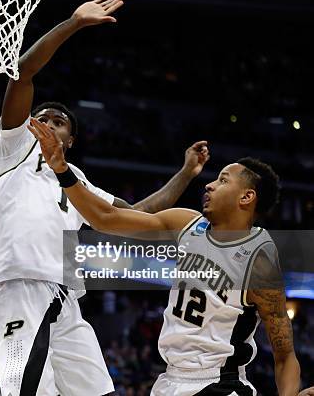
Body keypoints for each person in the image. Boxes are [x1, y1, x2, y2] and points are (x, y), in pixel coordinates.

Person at [0, 0, 211, 396]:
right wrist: (73, 23)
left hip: (64, 296)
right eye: (41, 117)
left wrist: (186, 173)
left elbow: (136, 214)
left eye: (59, 121)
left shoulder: (76, 179)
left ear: (71, 139)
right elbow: (22, 76)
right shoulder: (15, 151)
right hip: (17, 282)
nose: (47, 122)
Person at [28, 118, 309, 395]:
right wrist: (63, 170)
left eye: (223, 180)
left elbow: (284, 355)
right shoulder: (186, 223)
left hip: (221, 383)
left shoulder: (258, 259)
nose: (209, 185)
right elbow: (106, 219)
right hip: (170, 380)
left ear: (246, 198)